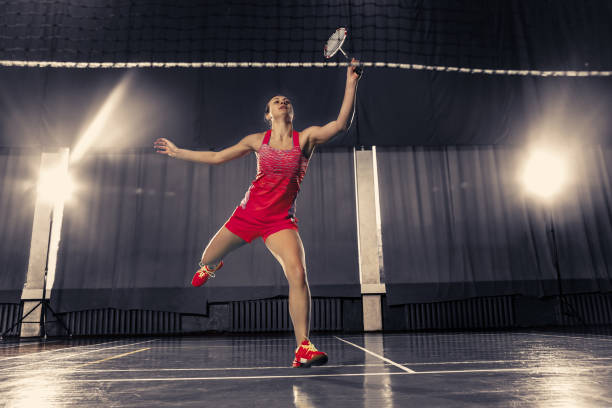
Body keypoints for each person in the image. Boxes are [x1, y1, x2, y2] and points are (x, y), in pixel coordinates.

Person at [154, 59, 361, 368]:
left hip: (280, 222)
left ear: (291, 112)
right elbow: (218, 156)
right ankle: (212, 265)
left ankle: (303, 346)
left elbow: (340, 125)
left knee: (298, 273)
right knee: (207, 257)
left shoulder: (305, 139)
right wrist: (178, 151)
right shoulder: (256, 141)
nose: (282, 101)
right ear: (268, 115)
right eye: (276, 101)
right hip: (246, 215)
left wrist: (351, 83)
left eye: (286, 100)